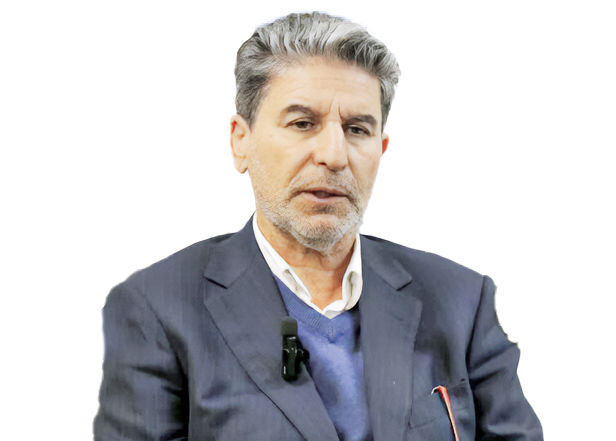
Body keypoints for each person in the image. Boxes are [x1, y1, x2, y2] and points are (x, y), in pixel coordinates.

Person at [94, 11, 543, 441]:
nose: (333, 154)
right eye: (302, 123)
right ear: (241, 141)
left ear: (381, 148)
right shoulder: (158, 309)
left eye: (357, 129)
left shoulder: (461, 302)